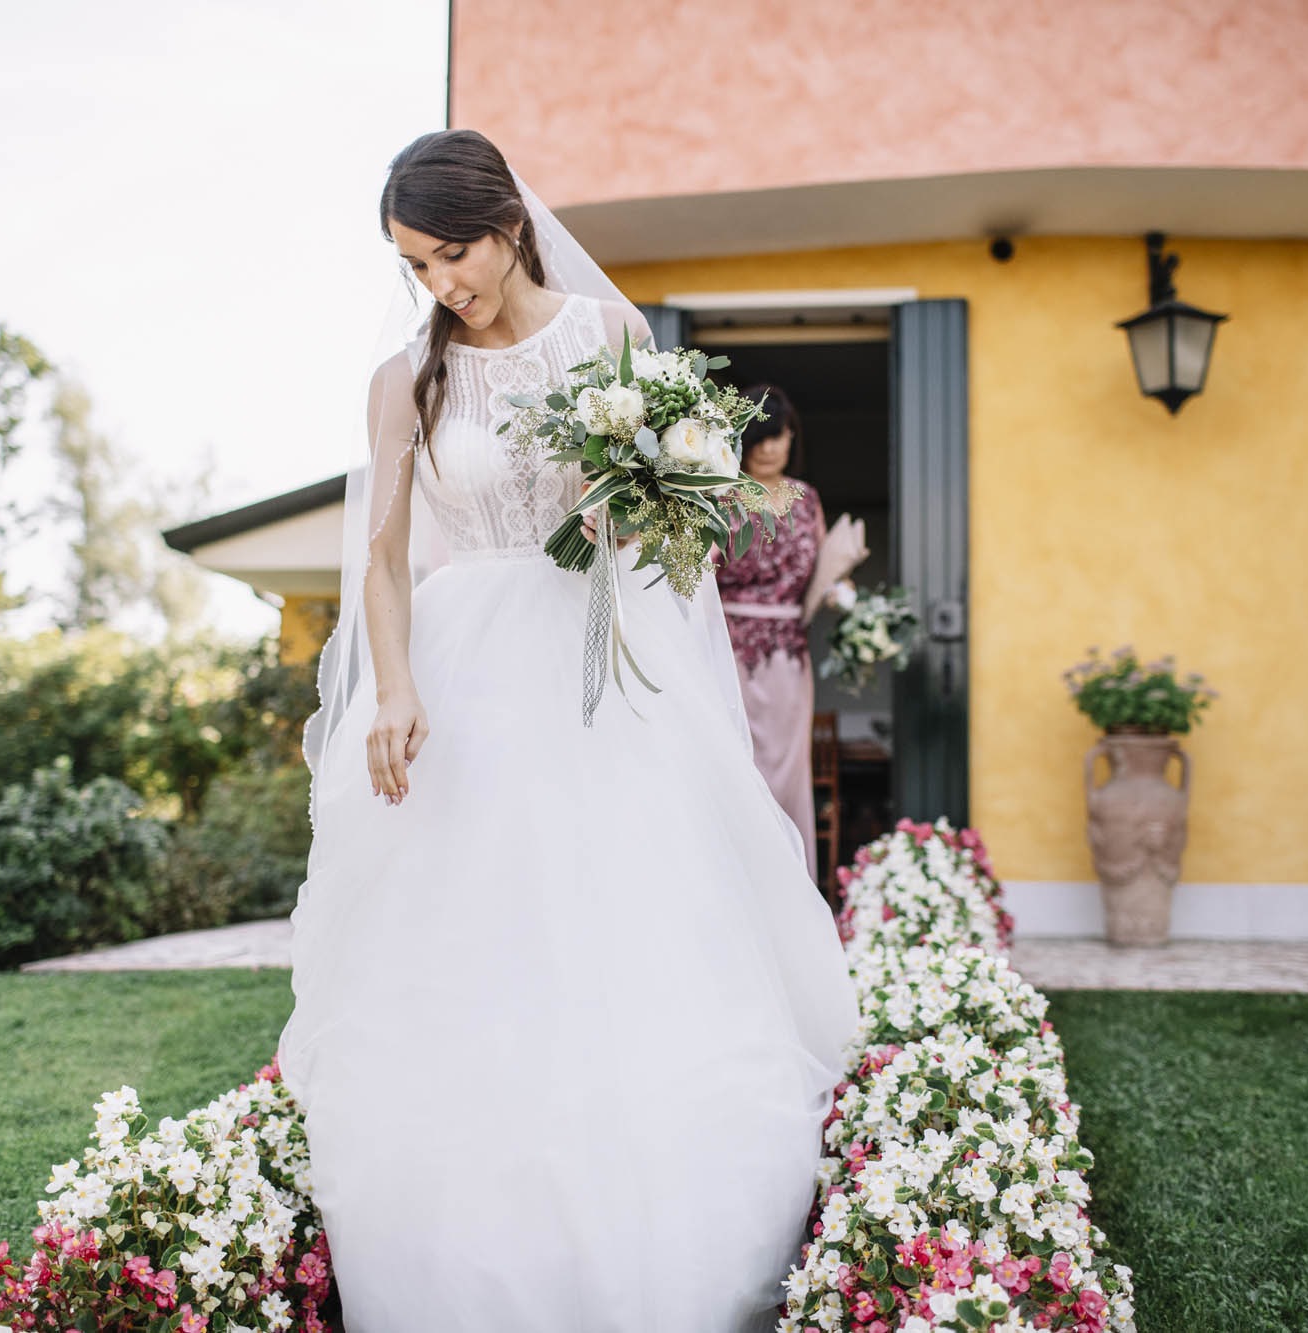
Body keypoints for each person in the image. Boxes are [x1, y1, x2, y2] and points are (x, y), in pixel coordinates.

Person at [275, 129, 858, 1331]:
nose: (444, 285)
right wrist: (393, 689)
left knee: (616, 926)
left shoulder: (609, 339)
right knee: (462, 943)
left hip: (599, 674)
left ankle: (650, 1219)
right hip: (456, 671)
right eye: (415, 267)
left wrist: (629, 521)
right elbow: (378, 563)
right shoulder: (404, 381)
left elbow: (667, 542)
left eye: (453, 254)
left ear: (507, 222)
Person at [713, 386, 869, 884]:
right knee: (737, 766)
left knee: (788, 773)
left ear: (791, 437)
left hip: (788, 660)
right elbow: (692, 577)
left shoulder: (808, 500)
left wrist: (853, 605)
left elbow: (823, 572)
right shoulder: (720, 496)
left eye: (777, 435)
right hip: (728, 655)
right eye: (757, 436)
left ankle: (789, 887)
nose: (768, 447)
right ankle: (738, 885)